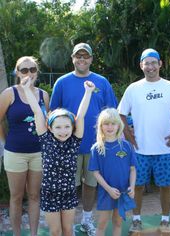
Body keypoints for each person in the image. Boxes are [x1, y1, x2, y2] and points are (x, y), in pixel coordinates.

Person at [50, 42, 117, 235]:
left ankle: (87, 220)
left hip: (96, 145)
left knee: (91, 184)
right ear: (72, 59)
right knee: (70, 186)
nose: (81, 59)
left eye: (85, 56)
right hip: (68, 146)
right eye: (78, 56)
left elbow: (110, 112)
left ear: (91, 59)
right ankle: (67, 222)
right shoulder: (62, 82)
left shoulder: (102, 82)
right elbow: (53, 114)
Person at [118, 48, 170, 233]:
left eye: (153, 62)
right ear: (141, 65)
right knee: (138, 186)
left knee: (166, 186)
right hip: (140, 151)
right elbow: (121, 114)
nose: (150, 66)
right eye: (146, 63)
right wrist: (129, 136)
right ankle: (137, 220)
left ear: (160, 64)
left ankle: (165, 221)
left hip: (165, 150)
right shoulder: (133, 89)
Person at [22, 76, 95, 236]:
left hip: (68, 192)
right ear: (50, 127)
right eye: (58, 127)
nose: (63, 131)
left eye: (67, 126)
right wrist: (27, 89)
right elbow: (36, 111)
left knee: (68, 230)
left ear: (72, 127)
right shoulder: (46, 139)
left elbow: (80, 116)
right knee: (56, 231)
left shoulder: (74, 141)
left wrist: (88, 92)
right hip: (49, 193)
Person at [0, 56, 49, 236]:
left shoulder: (44, 95)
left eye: (33, 69)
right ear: (17, 72)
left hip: (39, 153)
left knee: (35, 196)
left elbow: (47, 124)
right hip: (15, 154)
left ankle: (34, 234)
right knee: (16, 197)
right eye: (24, 70)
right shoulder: (9, 93)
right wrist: (7, 142)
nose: (29, 73)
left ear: (37, 72)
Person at [88, 108, 136, 236]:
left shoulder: (126, 146)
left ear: (119, 125)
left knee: (118, 223)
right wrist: (109, 189)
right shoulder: (97, 148)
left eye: (113, 123)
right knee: (102, 224)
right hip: (106, 192)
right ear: (100, 126)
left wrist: (132, 186)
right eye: (106, 123)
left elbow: (132, 169)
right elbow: (96, 173)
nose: (110, 127)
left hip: (122, 192)